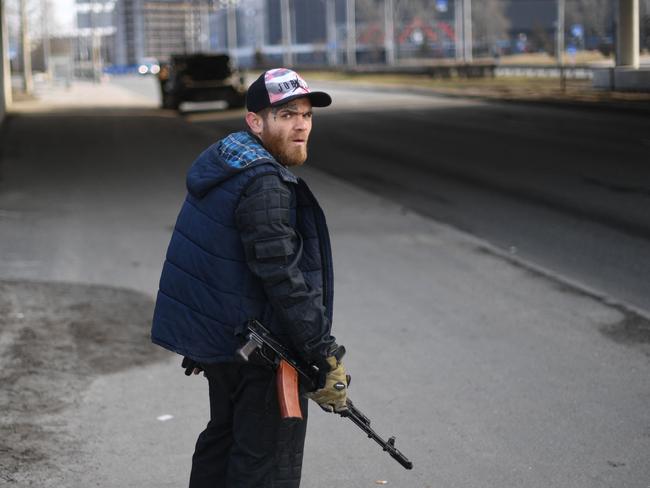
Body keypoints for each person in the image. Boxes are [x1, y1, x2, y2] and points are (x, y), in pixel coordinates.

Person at [150, 68, 348, 488]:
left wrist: (205, 342)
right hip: (261, 351)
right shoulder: (264, 184)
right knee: (265, 464)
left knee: (223, 443)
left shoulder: (229, 166)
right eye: (287, 114)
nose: (301, 126)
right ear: (255, 122)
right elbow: (282, 276)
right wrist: (324, 355)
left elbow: (212, 259)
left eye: (307, 115)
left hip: (229, 345)